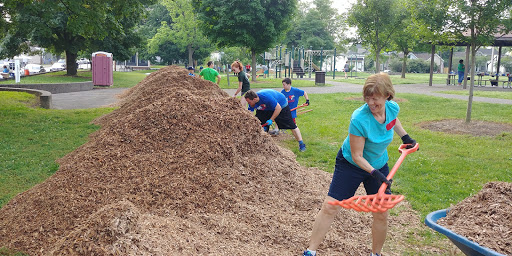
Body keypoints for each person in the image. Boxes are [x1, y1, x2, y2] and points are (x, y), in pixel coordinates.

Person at [302, 73, 417, 256]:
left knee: (381, 212)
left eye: (376, 99)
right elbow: (357, 156)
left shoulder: (392, 108)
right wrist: (376, 174)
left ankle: (375, 254)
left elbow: (393, 120)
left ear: (387, 95)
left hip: (378, 164)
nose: (371, 103)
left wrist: (405, 137)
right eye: (367, 98)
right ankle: (310, 251)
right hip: (351, 165)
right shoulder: (359, 118)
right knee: (330, 206)